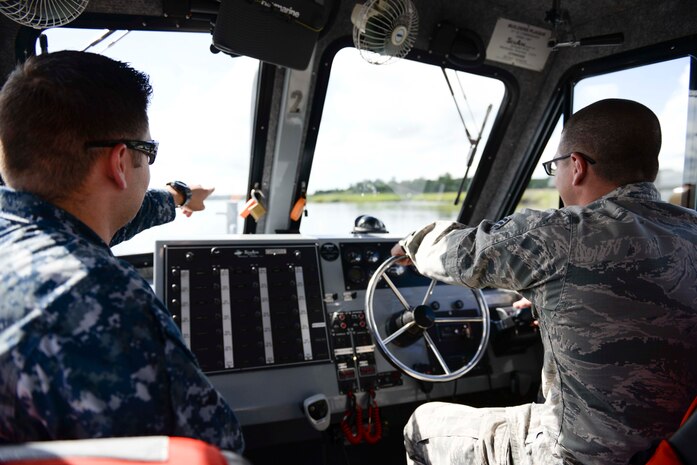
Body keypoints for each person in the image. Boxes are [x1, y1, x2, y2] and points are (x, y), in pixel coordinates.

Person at [392, 99, 697, 465]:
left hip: (577, 456)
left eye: (556, 165)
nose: (556, 176)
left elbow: (457, 255)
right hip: (676, 445)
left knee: (422, 427)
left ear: (577, 167)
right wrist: (549, 301)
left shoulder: (564, 233)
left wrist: (412, 241)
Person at [0, 51, 244, 453]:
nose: (147, 163)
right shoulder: (107, 297)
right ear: (119, 161)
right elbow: (217, 447)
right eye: (148, 152)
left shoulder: (30, 231)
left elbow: (107, 220)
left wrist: (177, 197)